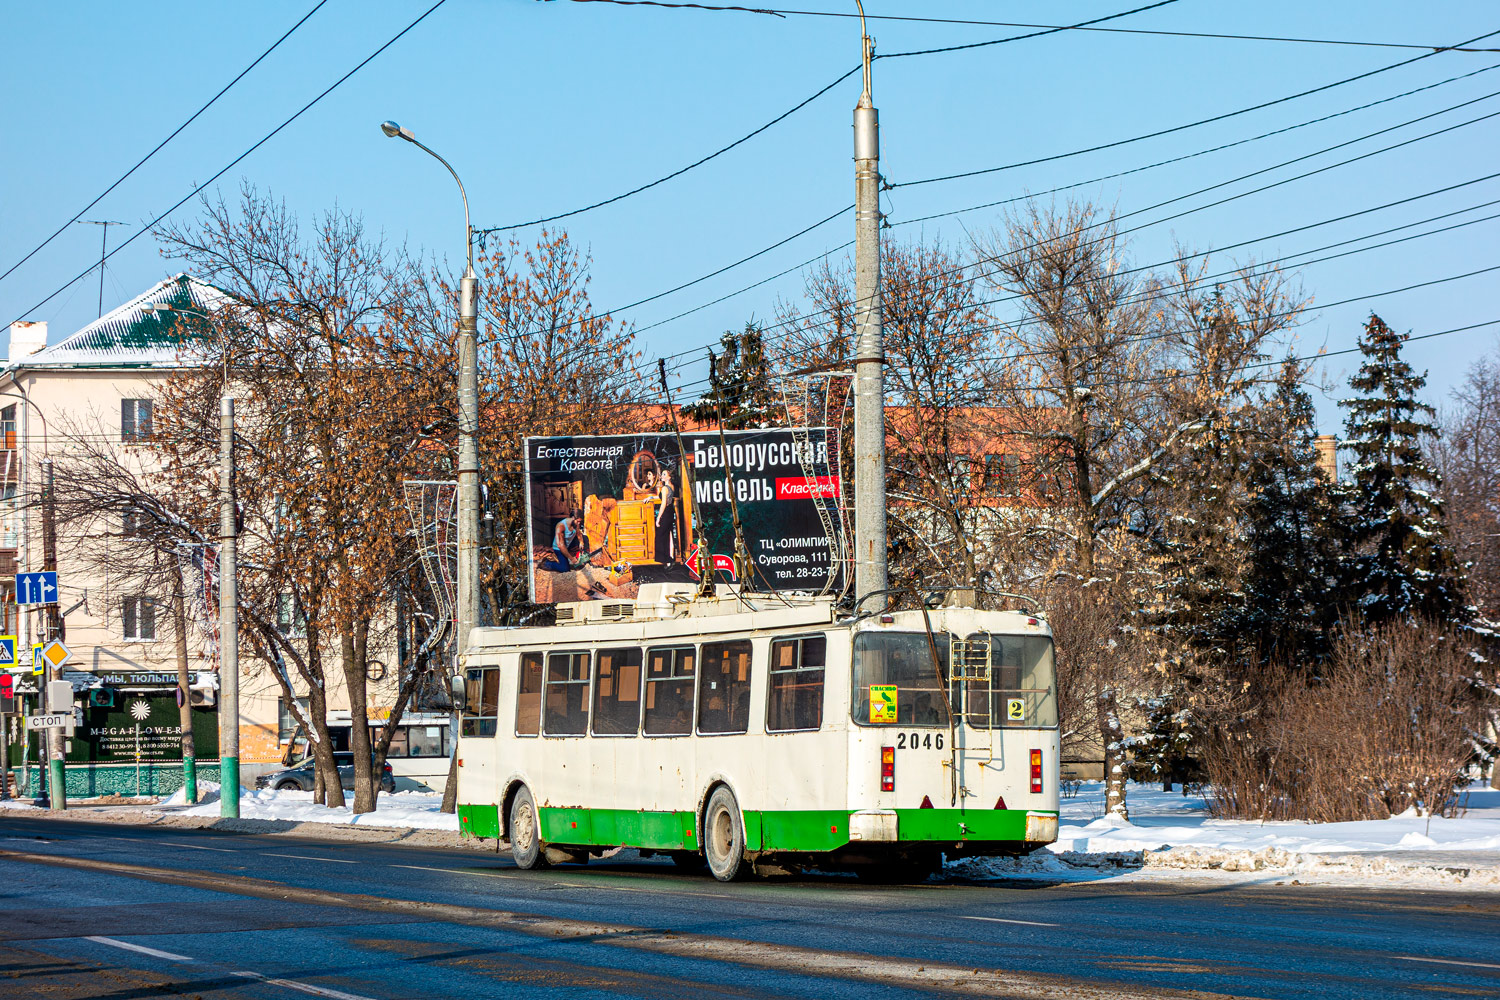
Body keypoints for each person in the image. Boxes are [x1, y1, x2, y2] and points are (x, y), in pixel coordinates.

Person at [655, 468, 678, 565]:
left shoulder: (664, 488)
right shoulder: (672, 486)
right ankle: (671, 558)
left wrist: (658, 517)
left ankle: (666, 560)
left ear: (669, 477)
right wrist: (651, 497)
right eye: (662, 474)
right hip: (670, 511)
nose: (662, 476)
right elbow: (665, 498)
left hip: (666, 512)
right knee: (669, 534)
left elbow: (663, 503)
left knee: (661, 536)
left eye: (664, 474)